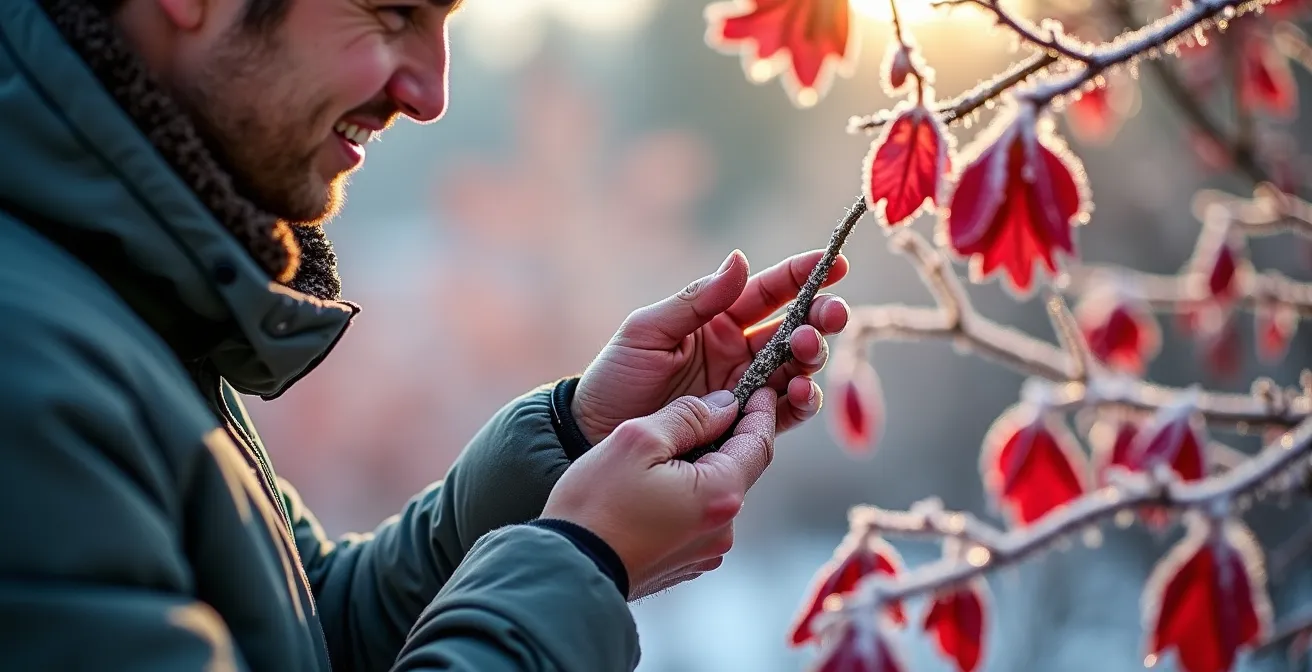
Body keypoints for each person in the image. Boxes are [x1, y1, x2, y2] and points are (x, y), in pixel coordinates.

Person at [0, 0, 852, 669]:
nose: (431, 94)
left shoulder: (116, 296)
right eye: (392, 12)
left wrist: (572, 446)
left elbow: (308, 631)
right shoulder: (30, 370)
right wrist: (580, 560)